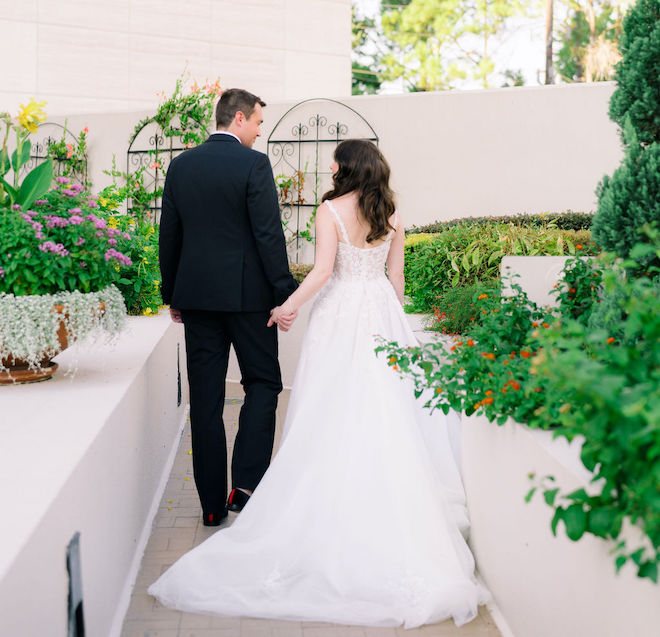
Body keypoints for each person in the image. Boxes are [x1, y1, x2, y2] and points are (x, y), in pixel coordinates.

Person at [150, 139, 488, 628]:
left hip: (340, 317)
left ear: (347, 168)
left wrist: (288, 306)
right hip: (382, 317)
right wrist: (391, 319)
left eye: (334, 160)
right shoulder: (392, 215)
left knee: (332, 407)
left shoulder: (329, 212)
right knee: (387, 408)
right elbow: (396, 281)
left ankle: (254, 499)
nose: (329, 166)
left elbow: (325, 271)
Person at [158, 88, 298, 528]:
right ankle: (245, 485)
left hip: (197, 300)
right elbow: (268, 235)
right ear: (238, 118)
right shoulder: (253, 164)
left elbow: (170, 234)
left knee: (205, 400)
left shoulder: (181, 166)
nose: (259, 130)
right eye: (258, 121)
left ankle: (212, 507)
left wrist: (172, 294)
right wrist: (284, 292)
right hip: (249, 300)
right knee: (263, 382)